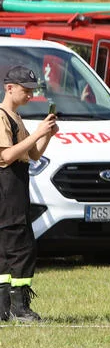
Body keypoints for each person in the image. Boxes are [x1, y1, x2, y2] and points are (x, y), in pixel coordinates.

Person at [0, 66, 58, 322]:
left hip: (16, 186)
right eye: (25, 90)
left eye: (32, 91)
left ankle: (4, 307)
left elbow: (32, 155)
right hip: (7, 187)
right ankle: (19, 308)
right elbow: (6, 155)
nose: (29, 95)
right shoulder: (2, 117)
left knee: (7, 249)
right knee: (21, 247)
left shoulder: (16, 117)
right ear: (9, 88)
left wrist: (46, 136)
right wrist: (36, 133)